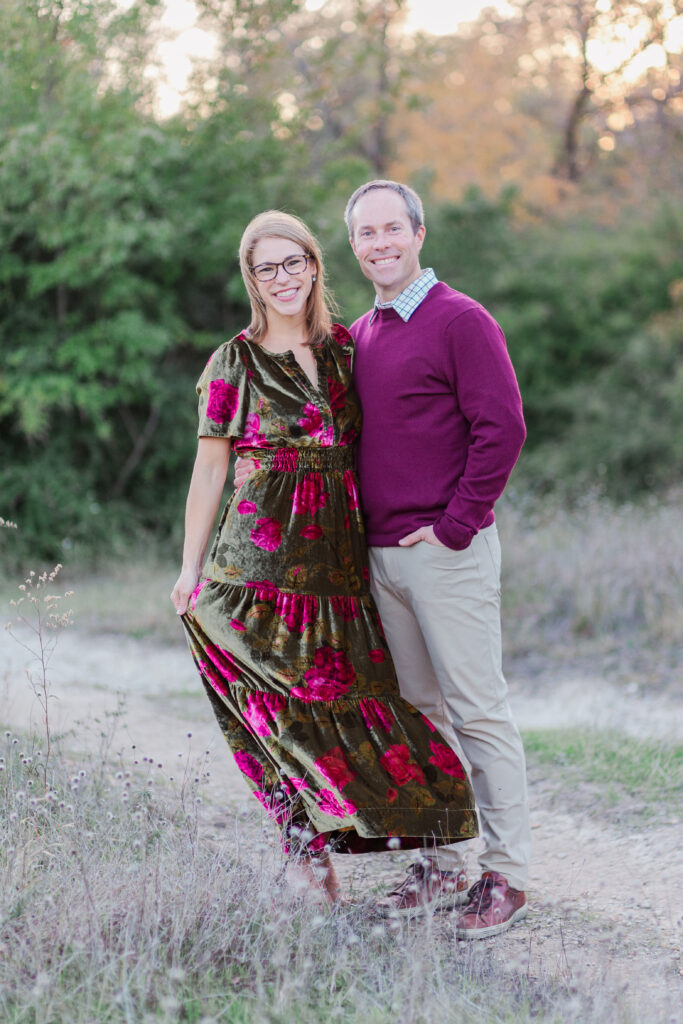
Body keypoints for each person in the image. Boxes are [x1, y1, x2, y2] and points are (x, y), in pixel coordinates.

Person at [170, 210, 478, 907]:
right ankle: (302, 848)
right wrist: (189, 569)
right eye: (265, 268)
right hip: (254, 572)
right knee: (272, 713)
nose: (282, 278)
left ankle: (428, 847)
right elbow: (209, 472)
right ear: (251, 279)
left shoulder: (347, 351)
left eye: (293, 262)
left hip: (340, 569)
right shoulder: (234, 360)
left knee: (363, 704)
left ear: (314, 265)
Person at [344, 179, 531, 938]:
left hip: (444, 553)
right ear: (353, 247)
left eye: (392, 228)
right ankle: (444, 860)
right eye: (365, 234)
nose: (379, 243)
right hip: (383, 558)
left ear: (418, 232)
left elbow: (503, 428)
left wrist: (455, 527)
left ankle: (508, 875)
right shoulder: (361, 333)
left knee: (477, 710)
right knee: (420, 719)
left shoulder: (460, 319)